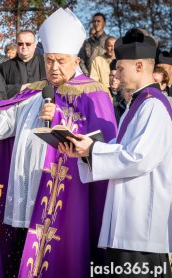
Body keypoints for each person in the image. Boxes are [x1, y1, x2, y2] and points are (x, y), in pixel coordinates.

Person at [0, 8, 117, 278]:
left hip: (64, 195)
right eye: (50, 60)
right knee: (19, 244)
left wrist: (62, 118)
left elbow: (102, 142)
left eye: (61, 61)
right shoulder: (34, 91)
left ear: (76, 59)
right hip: (24, 185)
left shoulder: (93, 93)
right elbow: (8, 119)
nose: (53, 68)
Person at [59, 28, 172, 278]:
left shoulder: (154, 106)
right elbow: (122, 148)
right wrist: (85, 149)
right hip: (126, 218)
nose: (116, 75)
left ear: (140, 65)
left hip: (141, 223)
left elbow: (138, 158)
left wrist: (93, 150)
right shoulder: (138, 103)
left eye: (120, 68)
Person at [0, 30, 46, 98]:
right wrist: (20, 88)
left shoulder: (46, 63)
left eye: (28, 44)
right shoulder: (4, 67)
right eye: (20, 44)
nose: (24, 46)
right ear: (17, 45)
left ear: (35, 45)